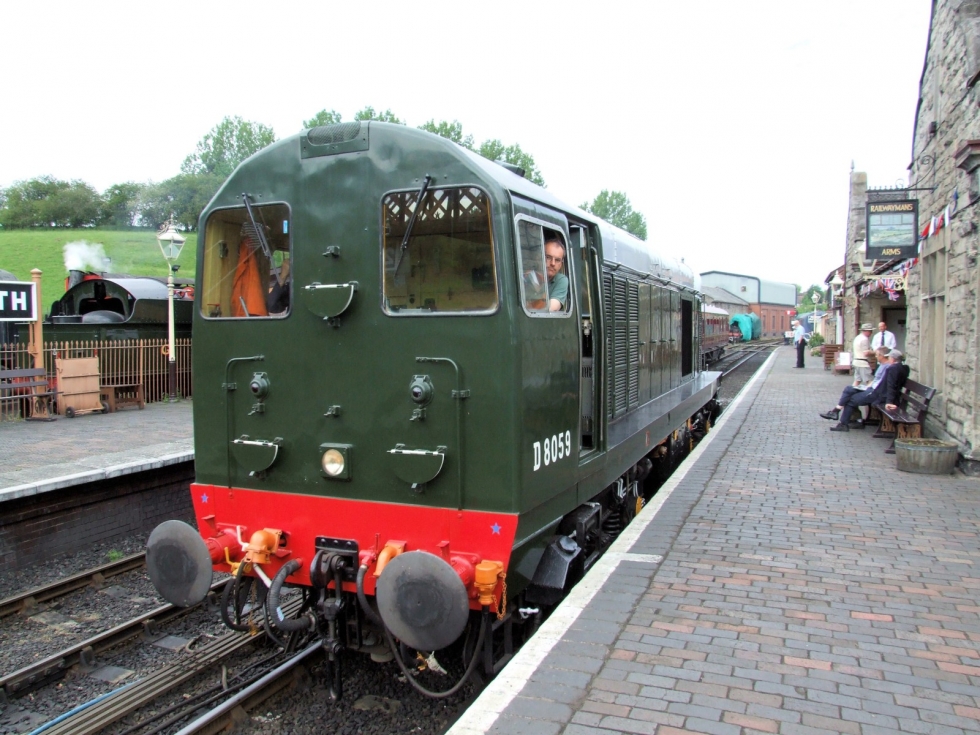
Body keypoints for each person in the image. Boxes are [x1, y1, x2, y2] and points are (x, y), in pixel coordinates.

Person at [829, 349, 908, 432]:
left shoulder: (892, 369)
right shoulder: (904, 368)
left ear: (892, 358)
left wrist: (889, 402)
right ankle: (841, 417)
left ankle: (845, 423)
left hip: (880, 395)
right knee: (850, 392)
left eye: (889, 357)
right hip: (884, 394)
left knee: (851, 400)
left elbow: (890, 386)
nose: (888, 358)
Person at [820, 346, 891, 425]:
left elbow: (882, 383)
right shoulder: (882, 365)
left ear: (882, 356)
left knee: (850, 399)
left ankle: (841, 419)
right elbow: (875, 380)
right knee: (849, 389)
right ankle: (837, 413)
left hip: (875, 391)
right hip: (871, 388)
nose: (876, 357)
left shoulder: (888, 367)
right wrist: (867, 387)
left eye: (877, 355)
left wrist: (869, 389)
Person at [544, 237, 569, 312]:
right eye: (548, 257)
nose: (553, 263)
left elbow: (551, 308)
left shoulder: (561, 280)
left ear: (561, 264)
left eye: (557, 260)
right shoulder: (528, 276)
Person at [852, 323, 874, 387]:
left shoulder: (857, 337)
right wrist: (875, 352)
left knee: (857, 380)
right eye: (870, 331)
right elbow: (866, 353)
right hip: (863, 363)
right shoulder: (864, 339)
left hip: (856, 361)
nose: (871, 333)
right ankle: (868, 395)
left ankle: (850, 393)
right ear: (867, 331)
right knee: (869, 381)